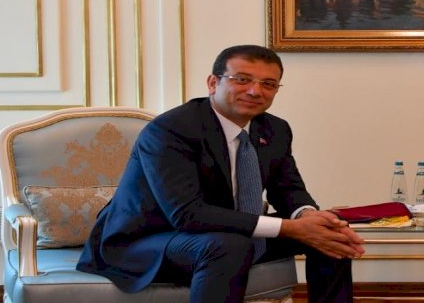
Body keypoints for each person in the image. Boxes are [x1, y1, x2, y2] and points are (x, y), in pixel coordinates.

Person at [77, 45, 365, 302]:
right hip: (149, 239)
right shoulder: (171, 129)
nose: (255, 91)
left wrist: (307, 216)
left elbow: (288, 189)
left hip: (228, 232)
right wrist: (290, 228)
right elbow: (187, 214)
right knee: (228, 246)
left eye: (268, 84)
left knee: (331, 234)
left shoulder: (275, 129)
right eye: (242, 79)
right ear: (213, 83)